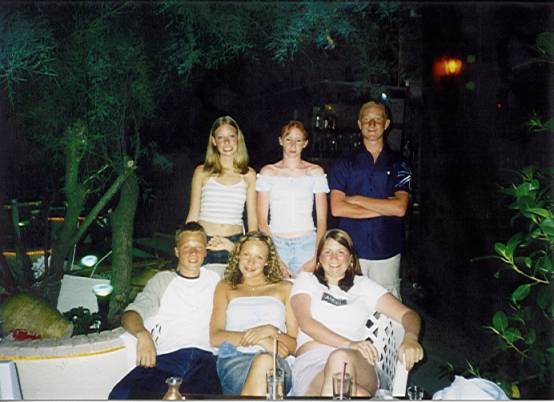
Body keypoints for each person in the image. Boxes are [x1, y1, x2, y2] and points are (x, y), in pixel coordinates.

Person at [290, 229, 423, 397]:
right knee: (356, 393)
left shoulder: (363, 286)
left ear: (351, 259)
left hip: (356, 362)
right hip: (311, 365)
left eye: (340, 252)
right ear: (319, 259)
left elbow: (408, 315)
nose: (333, 258)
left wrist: (411, 338)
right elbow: (306, 323)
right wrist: (349, 343)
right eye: (327, 252)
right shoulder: (306, 281)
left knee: (340, 359)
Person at [109, 222, 222, 399]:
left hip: (205, 359)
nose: (193, 253)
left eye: (199, 248)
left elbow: (251, 263)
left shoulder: (216, 276)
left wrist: (230, 246)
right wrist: (142, 334)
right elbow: (131, 314)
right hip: (166, 358)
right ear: (177, 251)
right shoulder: (162, 281)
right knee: (120, 395)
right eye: (187, 248)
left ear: (206, 251)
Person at [328, 100, 411, 299]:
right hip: (350, 250)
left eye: (377, 119)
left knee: (387, 305)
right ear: (359, 124)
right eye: (366, 119)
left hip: (386, 250)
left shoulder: (400, 163)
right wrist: (385, 207)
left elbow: (400, 208)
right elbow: (337, 208)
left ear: (387, 123)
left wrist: (356, 199)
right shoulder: (344, 162)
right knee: (348, 302)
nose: (372, 124)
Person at [209, 231, 298, 397]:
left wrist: (272, 331)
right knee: (265, 364)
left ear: (267, 261)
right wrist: (262, 340)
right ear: (238, 255)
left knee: (266, 362)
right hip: (236, 359)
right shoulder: (225, 287)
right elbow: (215, 336)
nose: (250, 262)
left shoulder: (285, 288)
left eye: (258, 257)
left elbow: (295, 346)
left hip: (276, 361)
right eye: (246, 255)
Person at [256, 120, 329, 278]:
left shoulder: (315, 172)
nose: (293, 145)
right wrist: (275, 258)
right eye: (288, 139)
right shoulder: (268, 172)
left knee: (305, 289)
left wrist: (316, 256)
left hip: (307, 243)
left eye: (298, 140)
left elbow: (322, 220)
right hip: (276, 243)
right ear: (280, 141)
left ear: (305, 143)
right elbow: (261, 220)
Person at [186, 115, 257, 264]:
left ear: (238, 139)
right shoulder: (202, 172)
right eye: (221, 137)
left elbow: (252, 220)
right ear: (214, 141)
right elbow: (193, 215)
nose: (226, 142)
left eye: (231, 136)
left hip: (234, 243)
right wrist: (186, 243)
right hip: (204, 242)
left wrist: (251, 248)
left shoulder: (249, 175)